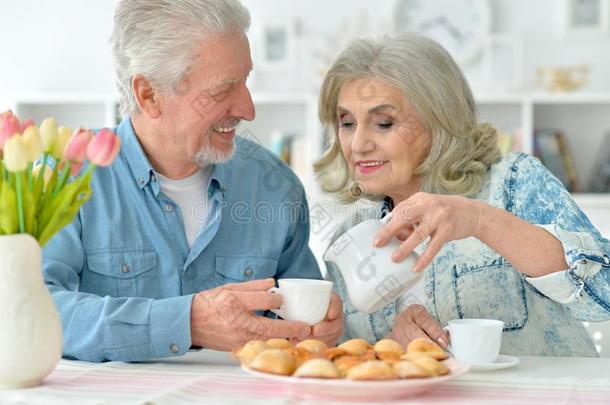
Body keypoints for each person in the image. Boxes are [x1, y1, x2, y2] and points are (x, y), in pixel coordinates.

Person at [43, 0, 343, 362]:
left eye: (245, 81)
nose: (248, 110)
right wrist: (185, 322)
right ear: (149, 94)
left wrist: (322, 328)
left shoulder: (273, 185)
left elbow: (307, 328)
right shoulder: (66, 176)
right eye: (223, 90)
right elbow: (31, 313)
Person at [315, 33, 610, 357]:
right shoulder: (350, 240)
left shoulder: (512, 183)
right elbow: (346, 361)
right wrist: (388, 351)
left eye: (383, 123)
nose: (357, 144)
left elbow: (604, 295)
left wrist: (479, 219)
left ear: (439, 120)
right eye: (347, 123)